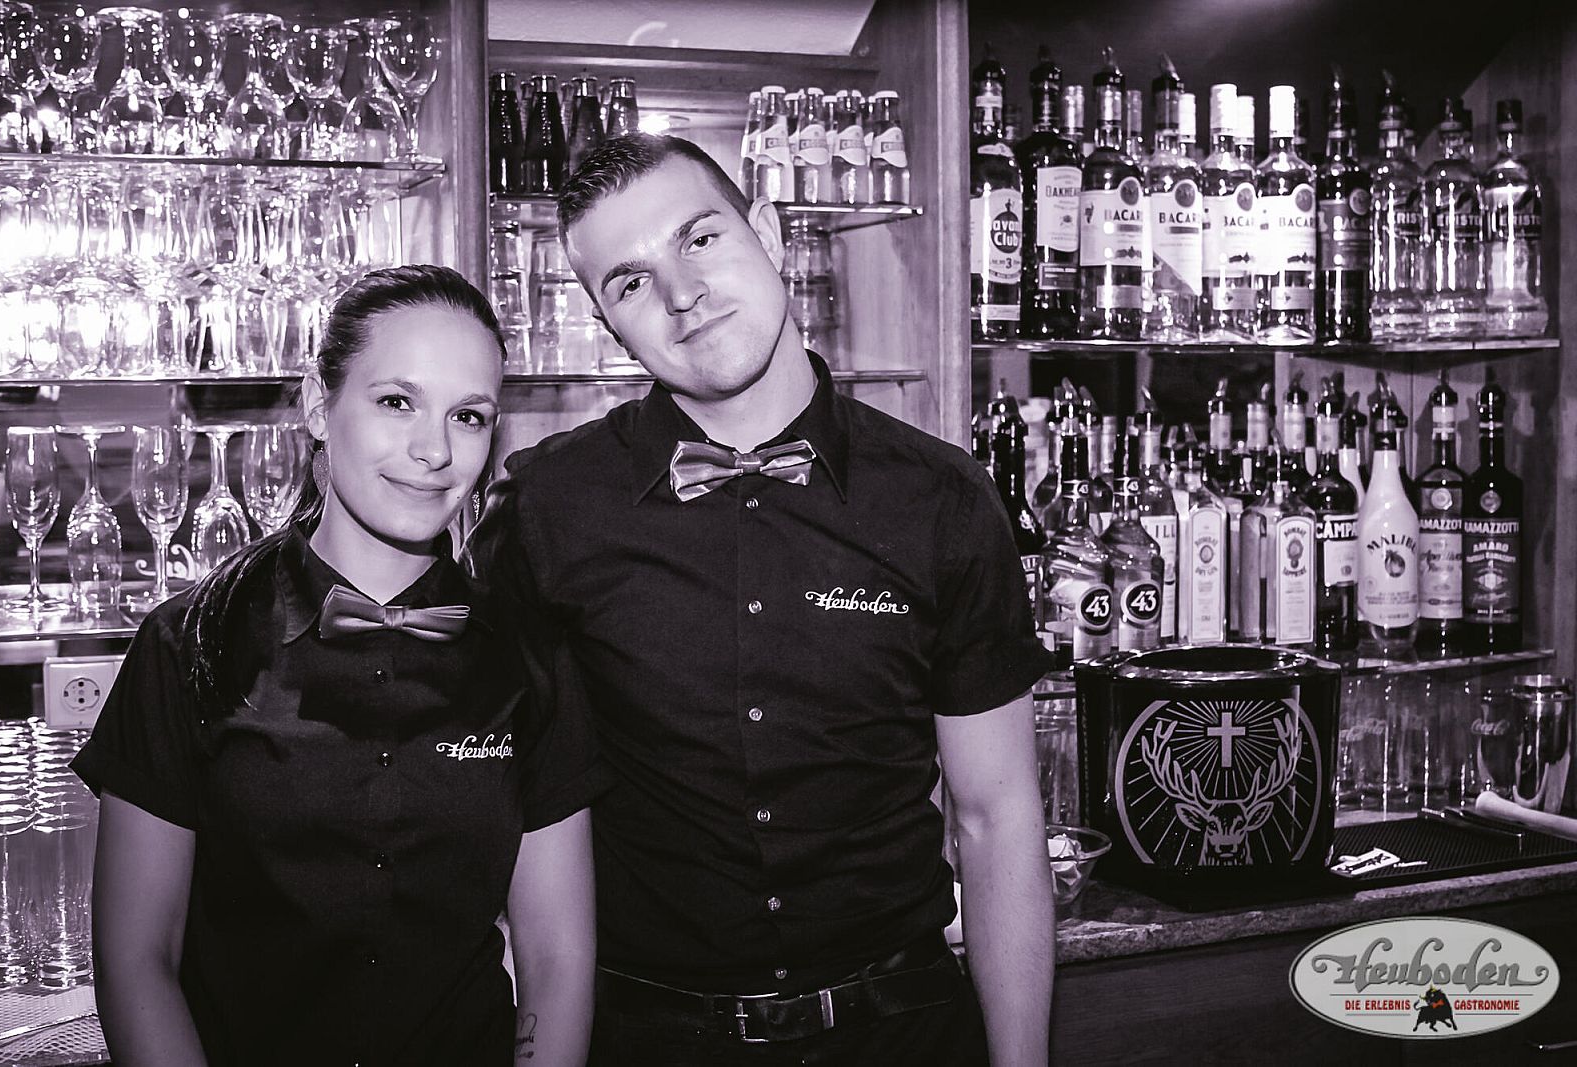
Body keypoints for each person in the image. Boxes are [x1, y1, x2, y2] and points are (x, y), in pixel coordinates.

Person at [469, 135, 1054, 1066]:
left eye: (700, 239)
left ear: (772, 234)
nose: (681, 294)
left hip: (903, 1035)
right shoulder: (548, 512)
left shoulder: (941, 498)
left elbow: (996, 818)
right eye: (630, 282)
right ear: (608, 325)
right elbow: (519, 833)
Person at [73, 265, 604, 1067]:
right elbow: (135, 957)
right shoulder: (187, 644)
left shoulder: (529, 656)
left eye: (468, 415)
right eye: (397, 401)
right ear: (319, 406)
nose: (433, 450)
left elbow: (556, 956)